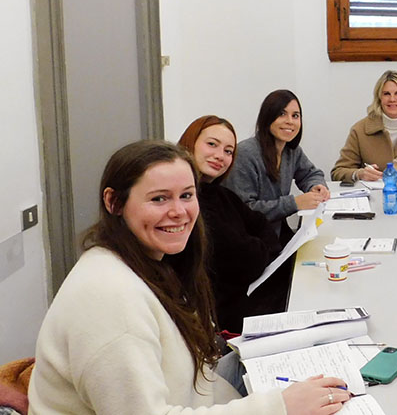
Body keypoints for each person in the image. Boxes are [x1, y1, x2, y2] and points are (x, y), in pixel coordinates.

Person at [28, 140, 351, 414]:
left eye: (186, 195)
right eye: (159, 198)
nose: (179, 212)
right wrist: (278, 407)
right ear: (114, 202)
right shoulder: (110, 298)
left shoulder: (151, 263)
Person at [178, 115, 285, 333]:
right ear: (190, 143)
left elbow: (262, 224)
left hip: (246, 297)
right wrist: (256, 245)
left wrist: (254, 245)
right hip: (226, 318)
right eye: (212, 144)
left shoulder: (222, 194)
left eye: (228, 151)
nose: (220, 156)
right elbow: (248, 262)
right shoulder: (190, 202)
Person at [225, 89, 329, 241]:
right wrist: (294, 203)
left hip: (276, 233)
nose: (290, 121)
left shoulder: (291, 150)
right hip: (251, 241)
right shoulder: (245, 154)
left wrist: (317, 186)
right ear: (267, 118)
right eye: (281, 114)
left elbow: (310, 174)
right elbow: (246, 210)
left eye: (295, 116)